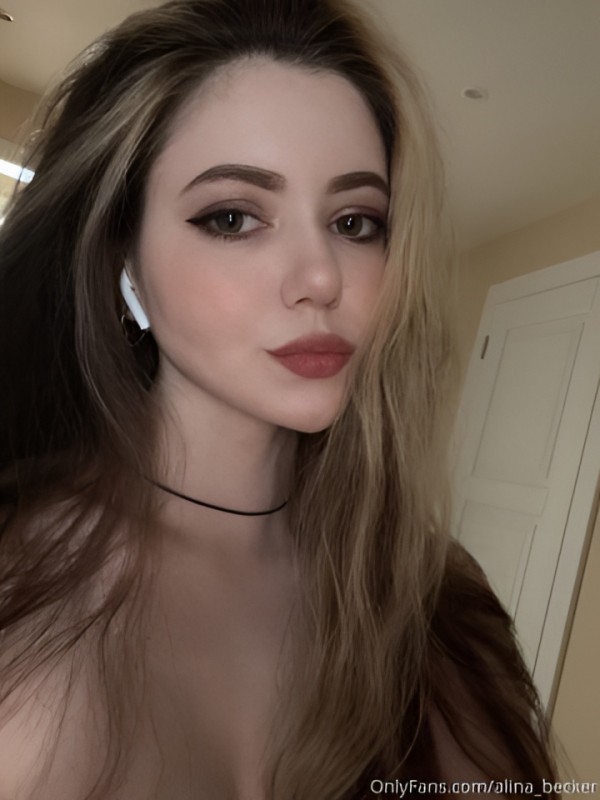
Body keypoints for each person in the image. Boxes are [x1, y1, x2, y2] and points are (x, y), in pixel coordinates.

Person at [0, 0, 561, 797]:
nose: (322, 278)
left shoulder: (436, 598)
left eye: (355, 222)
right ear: (124, 259)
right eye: (233, 217)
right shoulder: (21, 585)